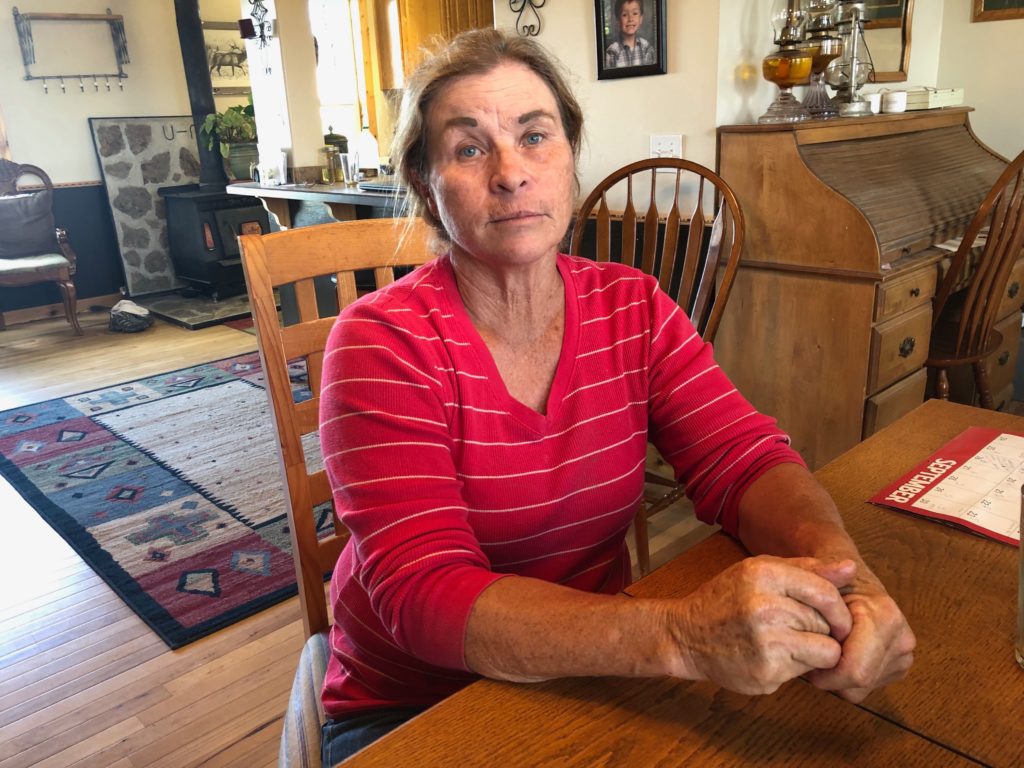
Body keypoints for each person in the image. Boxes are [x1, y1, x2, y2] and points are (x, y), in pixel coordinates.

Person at [317, 28, 915, 767]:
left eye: (535, 136)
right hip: (418, 706)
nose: (511, 172)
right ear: (425, 185)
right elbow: (425, 597)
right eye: (469, 148)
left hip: (595, 670)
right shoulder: (380, 342)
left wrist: (844, 579)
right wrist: (683, 635)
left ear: (569, 155)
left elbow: (742, 459)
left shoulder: (631, 306)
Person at [605, 0, 656, 69]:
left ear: (641, 19)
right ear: (618, 21)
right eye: (624, 15)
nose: (630, 19)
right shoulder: (612, 52)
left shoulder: (647, 48)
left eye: (635, 13)